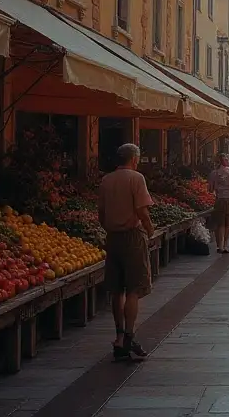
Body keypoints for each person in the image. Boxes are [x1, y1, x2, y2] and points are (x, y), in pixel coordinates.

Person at [97, 143, 155, 362]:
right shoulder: (136, 178)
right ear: (135, 159)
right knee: (133, 288)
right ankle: (130, 336)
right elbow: (142, 209)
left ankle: (119, 335)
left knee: (117, 289)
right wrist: (149, 230)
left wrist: (111, 228)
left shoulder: (106, 180)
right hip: (132, 236)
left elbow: (101, 214)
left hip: (112, 238)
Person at [208, 155, 229, 254]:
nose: (228, 160)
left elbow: (210, 189)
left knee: (220, 224)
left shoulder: (213, 173)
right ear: (224, 161)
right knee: (228, 224)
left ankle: (219, 246)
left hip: (219, 200)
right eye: (227, 159)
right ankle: (225, 245)